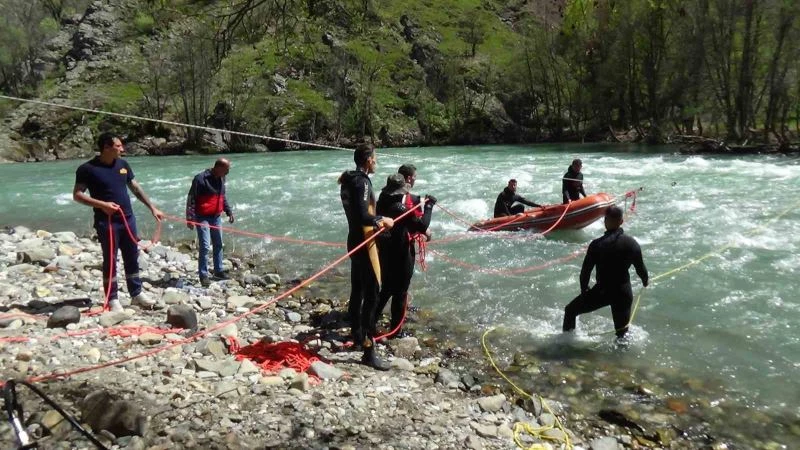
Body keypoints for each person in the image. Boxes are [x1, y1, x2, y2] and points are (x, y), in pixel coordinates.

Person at [73, 132, 162, 312]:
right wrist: (102, 205)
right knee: (111, 260)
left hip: (127, 219)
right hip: (107, 221)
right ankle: (112, 299)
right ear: (106, 147)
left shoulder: (123, 165)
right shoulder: (87, 169)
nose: (122, 149)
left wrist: (152, 207)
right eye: (118, 146)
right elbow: (77, 195)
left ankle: (136, 293)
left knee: (132, 256)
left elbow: (135, 187)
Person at [338, 143, 394, 370]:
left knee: (358, 289)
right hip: (364, 241)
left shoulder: (349, 179)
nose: (377, 162)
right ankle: (369, 351)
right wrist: (383, 219)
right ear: (368, 160)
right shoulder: (361, 181)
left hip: (354, 239)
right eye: (375, 158)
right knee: (372, 293)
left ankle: (358, 334)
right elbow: (363, 215)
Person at [562, 205, 649, 339]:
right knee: (622, 333)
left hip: (602, 292)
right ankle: (621, 359)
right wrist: (645, 281)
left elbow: (585, 272)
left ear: (605, 221)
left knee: (570, 311)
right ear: (621, 221)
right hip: (623, 293)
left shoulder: (597, 244)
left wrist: (584, 290)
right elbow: (641, 269)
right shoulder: (632, 244)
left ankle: (567, 345)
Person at [376, 170, 435, 338]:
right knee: (401, 291)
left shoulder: (382, 200)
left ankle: (371, 321)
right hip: (400, 251)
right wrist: (429, 206)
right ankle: (396, 331)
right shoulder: (399, 207)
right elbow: (422, 225)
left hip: (385, 249)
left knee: (386, 288)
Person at [186, 158, 235, 287]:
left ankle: (218, 271)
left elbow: (222, 197)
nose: (228, 172)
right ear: (219, 167)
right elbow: (191, 199)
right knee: (206, 246)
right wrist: (190, 218)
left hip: (216, 216)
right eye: (226, 169)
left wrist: (229, 212)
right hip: (202, 217)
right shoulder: (200, 179)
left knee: (218, 243)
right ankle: (203, 275)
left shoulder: (222, 178)